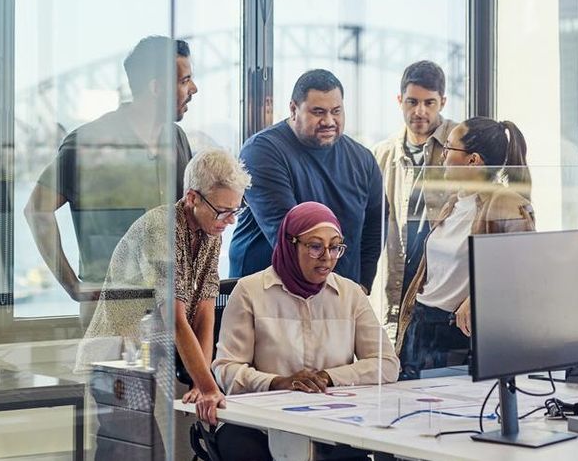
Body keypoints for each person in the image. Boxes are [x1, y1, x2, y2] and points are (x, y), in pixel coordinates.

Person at [76, 149, 250, 434]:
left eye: (235, 211)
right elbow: (175, 319)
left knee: (141, 444)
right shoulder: (162, 228)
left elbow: (205, 311)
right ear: (192, 198)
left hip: (149, 354)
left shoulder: (210, 229)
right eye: (223, 211)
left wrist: (200, 382)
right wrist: (208, 387)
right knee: (133, 444)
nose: (230, 221)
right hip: (117, 355)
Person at [212, 202, 399, 459]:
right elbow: (226, 370)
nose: (327, 257)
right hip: (260, 422)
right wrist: (277, 383)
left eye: (335, 247)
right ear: (291, 245)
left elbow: (387, 364)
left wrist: (328, 377)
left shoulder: (350, 294)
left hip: (334, 420)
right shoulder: (250, 291)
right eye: (315, 246)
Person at [24, 36, 197, 313]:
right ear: (157, 88)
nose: (194, 89)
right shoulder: (89, 142)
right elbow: (37, 209)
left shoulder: (177, 138)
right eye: (185, 80)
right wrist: (72, 285)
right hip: (109, 310)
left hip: (170, 307)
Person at [396, 117, 534, 380]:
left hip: (457, 332)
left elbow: (524, 271)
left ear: (473, 160)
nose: (443, 155)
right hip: (422, 324)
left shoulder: (506, 203)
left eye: (449, 148)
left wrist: (478, 297)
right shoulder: (454, 202)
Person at [229, 69, 383, 292]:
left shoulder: (362, 159)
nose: (328, 121)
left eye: (336, 111)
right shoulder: (261, 152)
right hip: (268, 296)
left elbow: (375, 226)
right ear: (294, 109)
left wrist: (361, 287)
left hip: (339, 296)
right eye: (318, 112)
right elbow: (290, 239)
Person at [373, 61, 457, 331]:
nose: (420, 111)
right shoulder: (382, 154)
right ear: (400, 100)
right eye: (412, 102)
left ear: (442, 102)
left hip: (445, 287)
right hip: (396, 283)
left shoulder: (461, 147)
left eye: (429, 103)